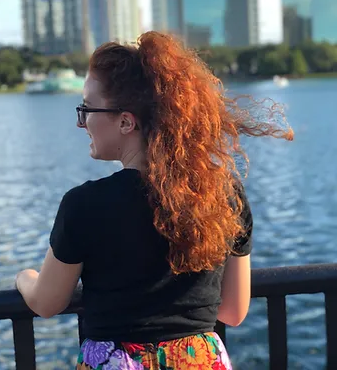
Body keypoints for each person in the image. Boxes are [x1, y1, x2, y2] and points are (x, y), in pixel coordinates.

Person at [16, 32, 293, 369]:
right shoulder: (224, 193)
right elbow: (233, 311)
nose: (82, 121)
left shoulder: (84, 205)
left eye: (86, 108)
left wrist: (24, 278)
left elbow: (46, 302)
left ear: (125, 121)